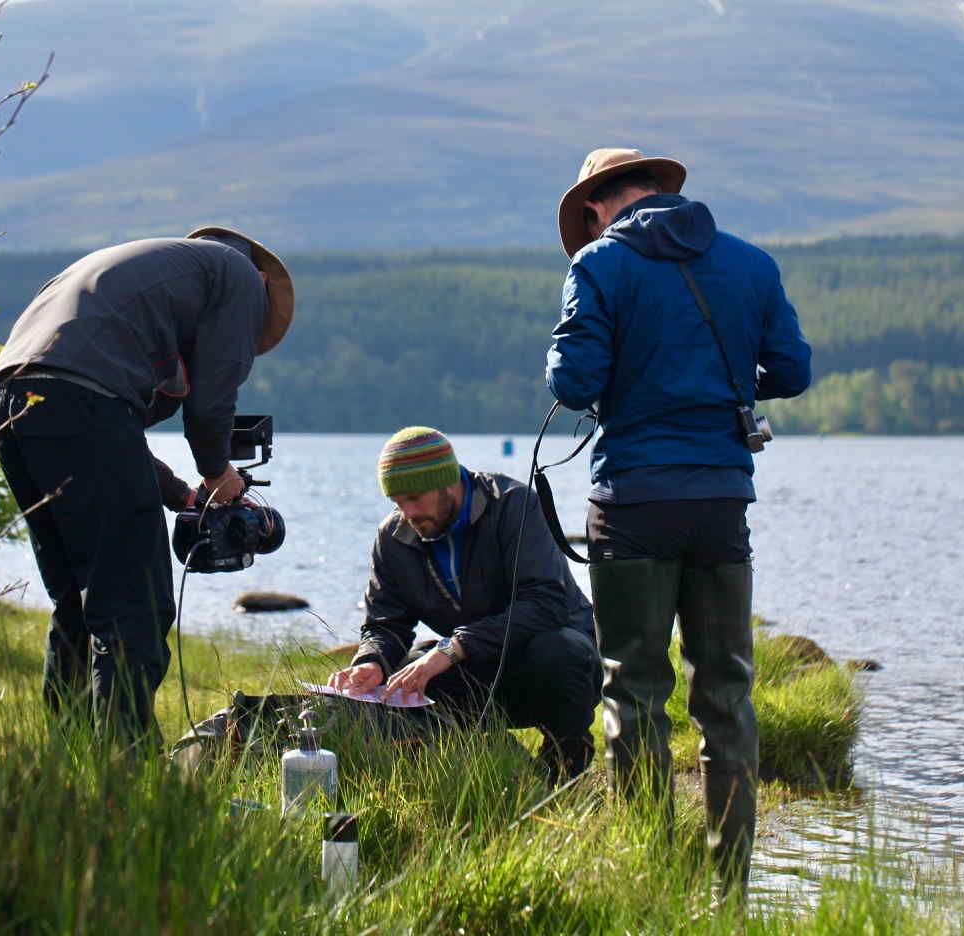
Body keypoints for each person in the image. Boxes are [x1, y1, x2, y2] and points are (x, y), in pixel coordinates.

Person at [546, 148, 812, 897]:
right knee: (726, 692)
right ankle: (730, 883)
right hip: (723, 502)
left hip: (632, 504)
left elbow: (574, 382)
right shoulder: (753, 264)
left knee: (632, 688)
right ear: (660, 190)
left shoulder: (599, 264)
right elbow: (791, 373)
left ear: (598, 205)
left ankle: (648, 876)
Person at [0, 228, 293, 750]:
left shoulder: (133, 285)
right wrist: (220, 474)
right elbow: (213, 395)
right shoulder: (241, 276)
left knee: (77, 600)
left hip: (12, 403)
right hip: (80, 404)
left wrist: (186, 497)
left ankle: (70, 758)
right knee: (136, 606)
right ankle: (128, 770)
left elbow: (102, 431)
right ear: (263, 282)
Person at [327, 427, 602, 783]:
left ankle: (567, 762)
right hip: (476, 664)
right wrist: (371, 661)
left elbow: (546, 603)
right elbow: (385, 623)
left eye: (414, 498)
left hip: (550, 660)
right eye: (396, 501)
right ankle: (496, 765)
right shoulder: (393, 536)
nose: (407, 512)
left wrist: (454, 646)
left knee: (560, 650)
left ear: (447, 482)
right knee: (402, 675)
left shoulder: (514, 504)